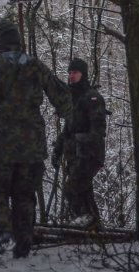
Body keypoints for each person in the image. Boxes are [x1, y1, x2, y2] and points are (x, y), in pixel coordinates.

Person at [0, 19, 71, 260]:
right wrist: (71, 118)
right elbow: (59, 93)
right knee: (25, 194)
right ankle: (23, 243)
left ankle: (3, 232)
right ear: (19, 40)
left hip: (1, 141)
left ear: (0, 42)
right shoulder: (36, 66)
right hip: (33, 142)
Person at [52, 58, 108, 228]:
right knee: (84, 192)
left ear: (83, 74)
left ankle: (85, 223)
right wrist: (58, 150)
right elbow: (68, 130)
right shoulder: (73, 98)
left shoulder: (92, 97)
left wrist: (81, 141)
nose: (71, 76)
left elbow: (98, 130)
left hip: (89, 154)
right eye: (69, 73)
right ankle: (94, 229)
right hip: (75, 155)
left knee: (72, 188)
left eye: (75, 72)